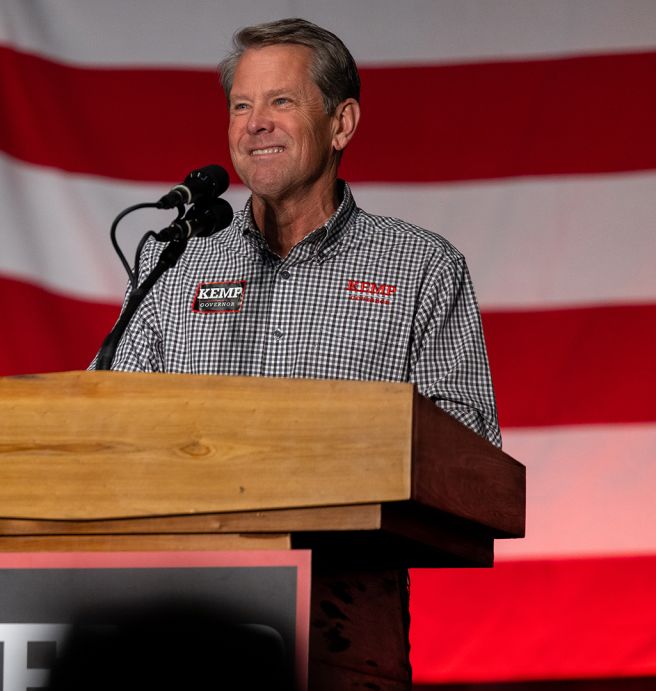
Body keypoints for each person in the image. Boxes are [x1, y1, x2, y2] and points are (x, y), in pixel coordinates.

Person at [97, 18, 501, 447]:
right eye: (241, 106)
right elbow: (104, 421)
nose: (255, 124)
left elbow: (467, 451)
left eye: (281, 101)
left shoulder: (424, 267)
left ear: (341, 124)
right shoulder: (176, 262)